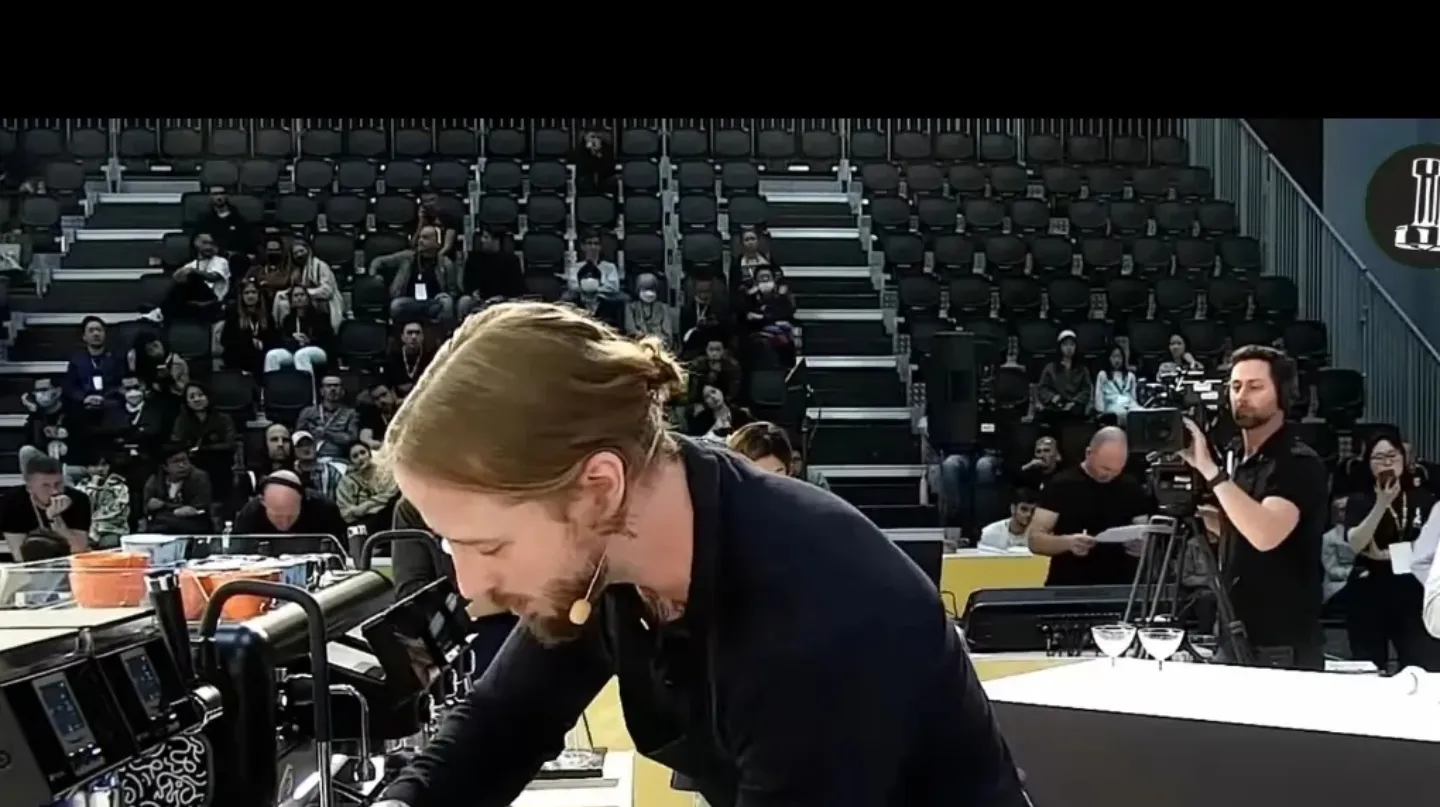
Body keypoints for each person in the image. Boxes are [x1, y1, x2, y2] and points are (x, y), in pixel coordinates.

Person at [371, 301, 1028, 807]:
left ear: (599, 486)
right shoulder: (608, 550)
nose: (470, 586)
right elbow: (502, 722)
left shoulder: (814, 613)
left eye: (489, 545)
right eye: (450, 545)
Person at [1177, 344, 1329, 669]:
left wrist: (1211, 472)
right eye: (1235, 386)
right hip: (1233, 633)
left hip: (1280, 645)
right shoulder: (1236, 456)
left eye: (1255, 386)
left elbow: (1265, 534)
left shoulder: (1297, 462)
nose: (1241, 396)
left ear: (1282, 395)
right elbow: (1244, 526)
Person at [1340, 433, 1439, 671]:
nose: (1386, 463)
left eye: (1392, 456)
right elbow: (1356, 542)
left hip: (1412, 588)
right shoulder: (1360, 499)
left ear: (1404, 459)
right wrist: (1381, 503)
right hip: (1369, 588)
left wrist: (1387, 555)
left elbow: (1430, 548)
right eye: (1378, 457)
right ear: (1368, 463)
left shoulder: (1423, 498)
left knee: (1422, 663)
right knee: (1369, 665)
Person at [389, 498, 520, 676]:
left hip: (513, 619)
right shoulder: (413, 508)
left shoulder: (502, 500)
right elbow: (411, 594)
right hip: (461, 627)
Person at [1027, 427, 1149, 585]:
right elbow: (1035, 540)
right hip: (1070, 583)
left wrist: (1143, 546)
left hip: (1122, 584)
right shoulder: (1062, 484)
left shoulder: (1131, 486)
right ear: (1089, 453)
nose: (1109, 475)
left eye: (1117, 470)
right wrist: (1068, 542)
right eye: (1104, 468)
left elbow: (1144, 532)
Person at [230, 470, 347, 553]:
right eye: (277, 516)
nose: (285, 523)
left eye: (291, 516)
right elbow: (237, 555)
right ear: (263, 502)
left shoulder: (324, 510)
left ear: (302, 501)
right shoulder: (250, 514)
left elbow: (343, 551)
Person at [0, 455, 92, 557]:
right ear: (29, 488)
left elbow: (79, 550)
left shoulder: (78, 500)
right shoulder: (12, 502)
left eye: (58, 484)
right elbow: (20, 555)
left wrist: (56, 520)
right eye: (45, 486)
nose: (54, 491)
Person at [377, 226, 461, 329]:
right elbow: (379, 261)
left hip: (433, 303)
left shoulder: (445, 263)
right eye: (420, 237)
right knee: (396, 305)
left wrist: (443, 297)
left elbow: (453, 291)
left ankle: (445, 334)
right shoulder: (406, 257)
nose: (420, 241)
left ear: (437, 243)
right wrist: (375, 276)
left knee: (447, 303)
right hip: (410, 301)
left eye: (425, 238)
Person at [170, 382, 238, 503]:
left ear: (208, 397)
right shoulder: (182, 421)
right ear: (186, 401)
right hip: (192, 466)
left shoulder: (223, 419)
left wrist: (203, 449)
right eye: (192, 397)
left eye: (200, 395)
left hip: (219, 464)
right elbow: (177, 443)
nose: (197, 399)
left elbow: (230, 445)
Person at [142, 444, 214, 535]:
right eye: (176, 462)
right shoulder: (155, 479)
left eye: (184, 460)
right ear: (165, 467)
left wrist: (164, 506)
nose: (181, 465)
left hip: (194, 524)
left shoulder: (199, 477)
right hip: (162, 525)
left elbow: (200, 506)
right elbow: (147, 507)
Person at [273, 236, 342, 330]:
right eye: (295, 253)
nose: (299, 255)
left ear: (308, 250)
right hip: (303, 301)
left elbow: (328, 291)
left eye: (301, 251)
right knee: (281, 300)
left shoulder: (320, 266)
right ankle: (284, 329)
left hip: (321, 302)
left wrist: (306, 293)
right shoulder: (296, 270)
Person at [265, 285, 332, 377]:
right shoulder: (288, 319)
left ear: (308, 298)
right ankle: (274, 384)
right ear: (291, 300)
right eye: (296, 295)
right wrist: (293, 339)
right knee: (272, 355)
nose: (299, 298)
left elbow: (327, 339)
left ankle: (306, 385)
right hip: (294, 349)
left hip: (318, 349)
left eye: (302, 295)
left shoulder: (320, 316)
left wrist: (309, 340)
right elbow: (283, 340)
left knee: (301, 355)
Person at [336, 442, 399, 538]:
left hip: (387, 515)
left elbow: (391, 494)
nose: (360, 458)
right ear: (350, 461)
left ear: (370, 454)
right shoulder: (345, 482)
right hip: (360, 523)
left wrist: (365, 506)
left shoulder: (385, 473)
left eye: (363, 453)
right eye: (355, 456)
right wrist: (359, 511)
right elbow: (345, 512)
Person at [459, 229, 524, 318]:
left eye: (486, 237)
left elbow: (517, 288)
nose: (482, 240)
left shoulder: (511, 260)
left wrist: (502, 297)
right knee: (464, 301)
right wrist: (472, 293)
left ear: (496, 241)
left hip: (503, 300)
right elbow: (467, 283)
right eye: (482, 237)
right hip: (480, 300)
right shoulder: (473, 259)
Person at [296, 375, 361, 461]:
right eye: (328, 386)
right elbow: (298, 437)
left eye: (336, 386)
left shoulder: (351, 414)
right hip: (311, 459)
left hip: (339, 459)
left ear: (342, 391)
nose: (333, 389)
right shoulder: (307, 412)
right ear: (322, 391)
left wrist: (326, 434)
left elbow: (351, 440)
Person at [220, 279, 278, 374]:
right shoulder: (234, 314)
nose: (250, 296)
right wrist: (249, 342)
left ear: (259, 295)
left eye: (253, 292)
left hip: (261, 357)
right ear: (242, 296)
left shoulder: (267, 315)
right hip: (239, 358)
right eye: (246, 293)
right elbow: (225, 340)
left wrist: (262, 344)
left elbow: (274, 339)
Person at [1035, 329, 1092, 420]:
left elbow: (1086, 390)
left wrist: (1074, 402)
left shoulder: (1083, 369)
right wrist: (1053, 398)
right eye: (1065, 344)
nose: (1069, 348)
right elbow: (1042, 389)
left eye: (1072, 344)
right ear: (1060, 347)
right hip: (1054, 408)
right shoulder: (1050, 367)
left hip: (1075, 408)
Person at [79, 453, 131, 549]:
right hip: (86, 533)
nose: (100, 469)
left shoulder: (119, 486)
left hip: (111, 530)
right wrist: (93, 486)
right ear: (87, 468)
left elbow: (115, 511)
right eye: (95, 465)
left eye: (104, 465)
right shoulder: (80, 487)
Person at [623, 272, 678, 349]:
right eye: (645, 289)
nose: (649, 293)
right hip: (638, 345)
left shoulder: (663, 308)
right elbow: (630, 329)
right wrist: (644, 338)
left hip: (659, 345)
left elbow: (668, 333)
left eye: (652, 289)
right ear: (638, 290)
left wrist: (658, 341)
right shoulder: (631, 307)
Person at [563, 263, 625, 330]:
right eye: (585, 277)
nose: (589, 280)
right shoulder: (570, 307)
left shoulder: (612, 308)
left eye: (593, 277)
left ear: (600, 282)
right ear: (579, 283)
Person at [384, 321, 432, 395]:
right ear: (402, 337)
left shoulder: (430, 357)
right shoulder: (392, 357)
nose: (414, 337)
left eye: (417, 333)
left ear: (422, 337)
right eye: (409, 333)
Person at [291, 431, 344, 498]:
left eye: (309, 444)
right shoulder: (290, 472)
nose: (306, 448)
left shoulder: (331, 472)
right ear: (293, 450)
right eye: (300, 445)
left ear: (315, 446)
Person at [1093, 344, 1137, 418]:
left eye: (1119, 357)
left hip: (1129, 405)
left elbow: (1133, 397)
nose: (1117, 360)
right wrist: (1100, 413)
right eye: (1114, 357)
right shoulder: (1103, 375)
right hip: (1111, 406)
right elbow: (1099, 396)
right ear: (1109, 358)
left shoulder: (1130, 376)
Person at [358, 381, 400, 451]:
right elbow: (365, 435)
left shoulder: (405, 407)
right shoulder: (371, 414)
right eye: (376, 399)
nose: (382, 400)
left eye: (384, 394)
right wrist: (370, 442)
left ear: (392, 392)